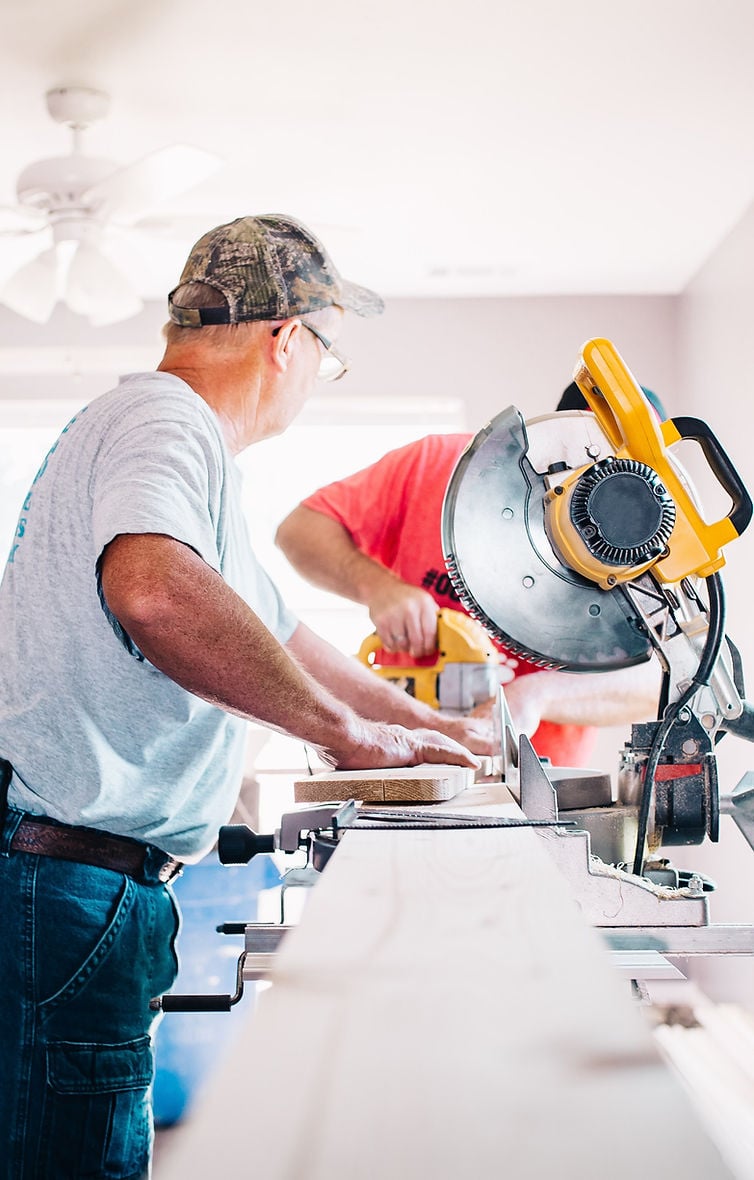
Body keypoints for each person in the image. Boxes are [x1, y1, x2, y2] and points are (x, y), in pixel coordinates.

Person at [0, 214, 495, 1179]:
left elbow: (287, 637)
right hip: (66, 886)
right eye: (327, 355)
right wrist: (347, 736)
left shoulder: (178, 453)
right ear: (288, 341)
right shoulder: (164, 420)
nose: (316, 378)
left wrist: (425, 726)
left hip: (79, 886)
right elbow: (150, 588)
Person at [275, 385, 666, 766]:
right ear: (552, 432)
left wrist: (537, 694)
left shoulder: (648, 546)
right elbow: (299, 531)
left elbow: (659, 681)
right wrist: (377, 586)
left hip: (535, 778)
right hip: (400, 754)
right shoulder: (437, 465)